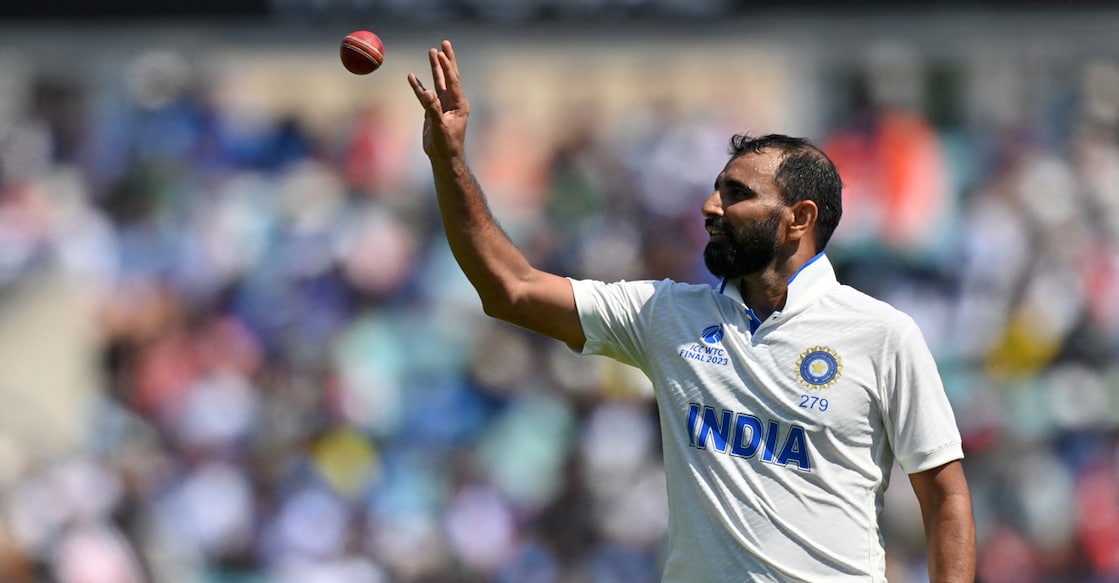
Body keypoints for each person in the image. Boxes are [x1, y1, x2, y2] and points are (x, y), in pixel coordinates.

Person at [407, 40, 976, 582]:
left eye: (736, 194)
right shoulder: (666, 313)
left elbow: (945, 496)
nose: (710, 207)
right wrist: (449, 159)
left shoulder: (881, 335)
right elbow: (510, 287)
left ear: (798, 218)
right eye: (715, 189)